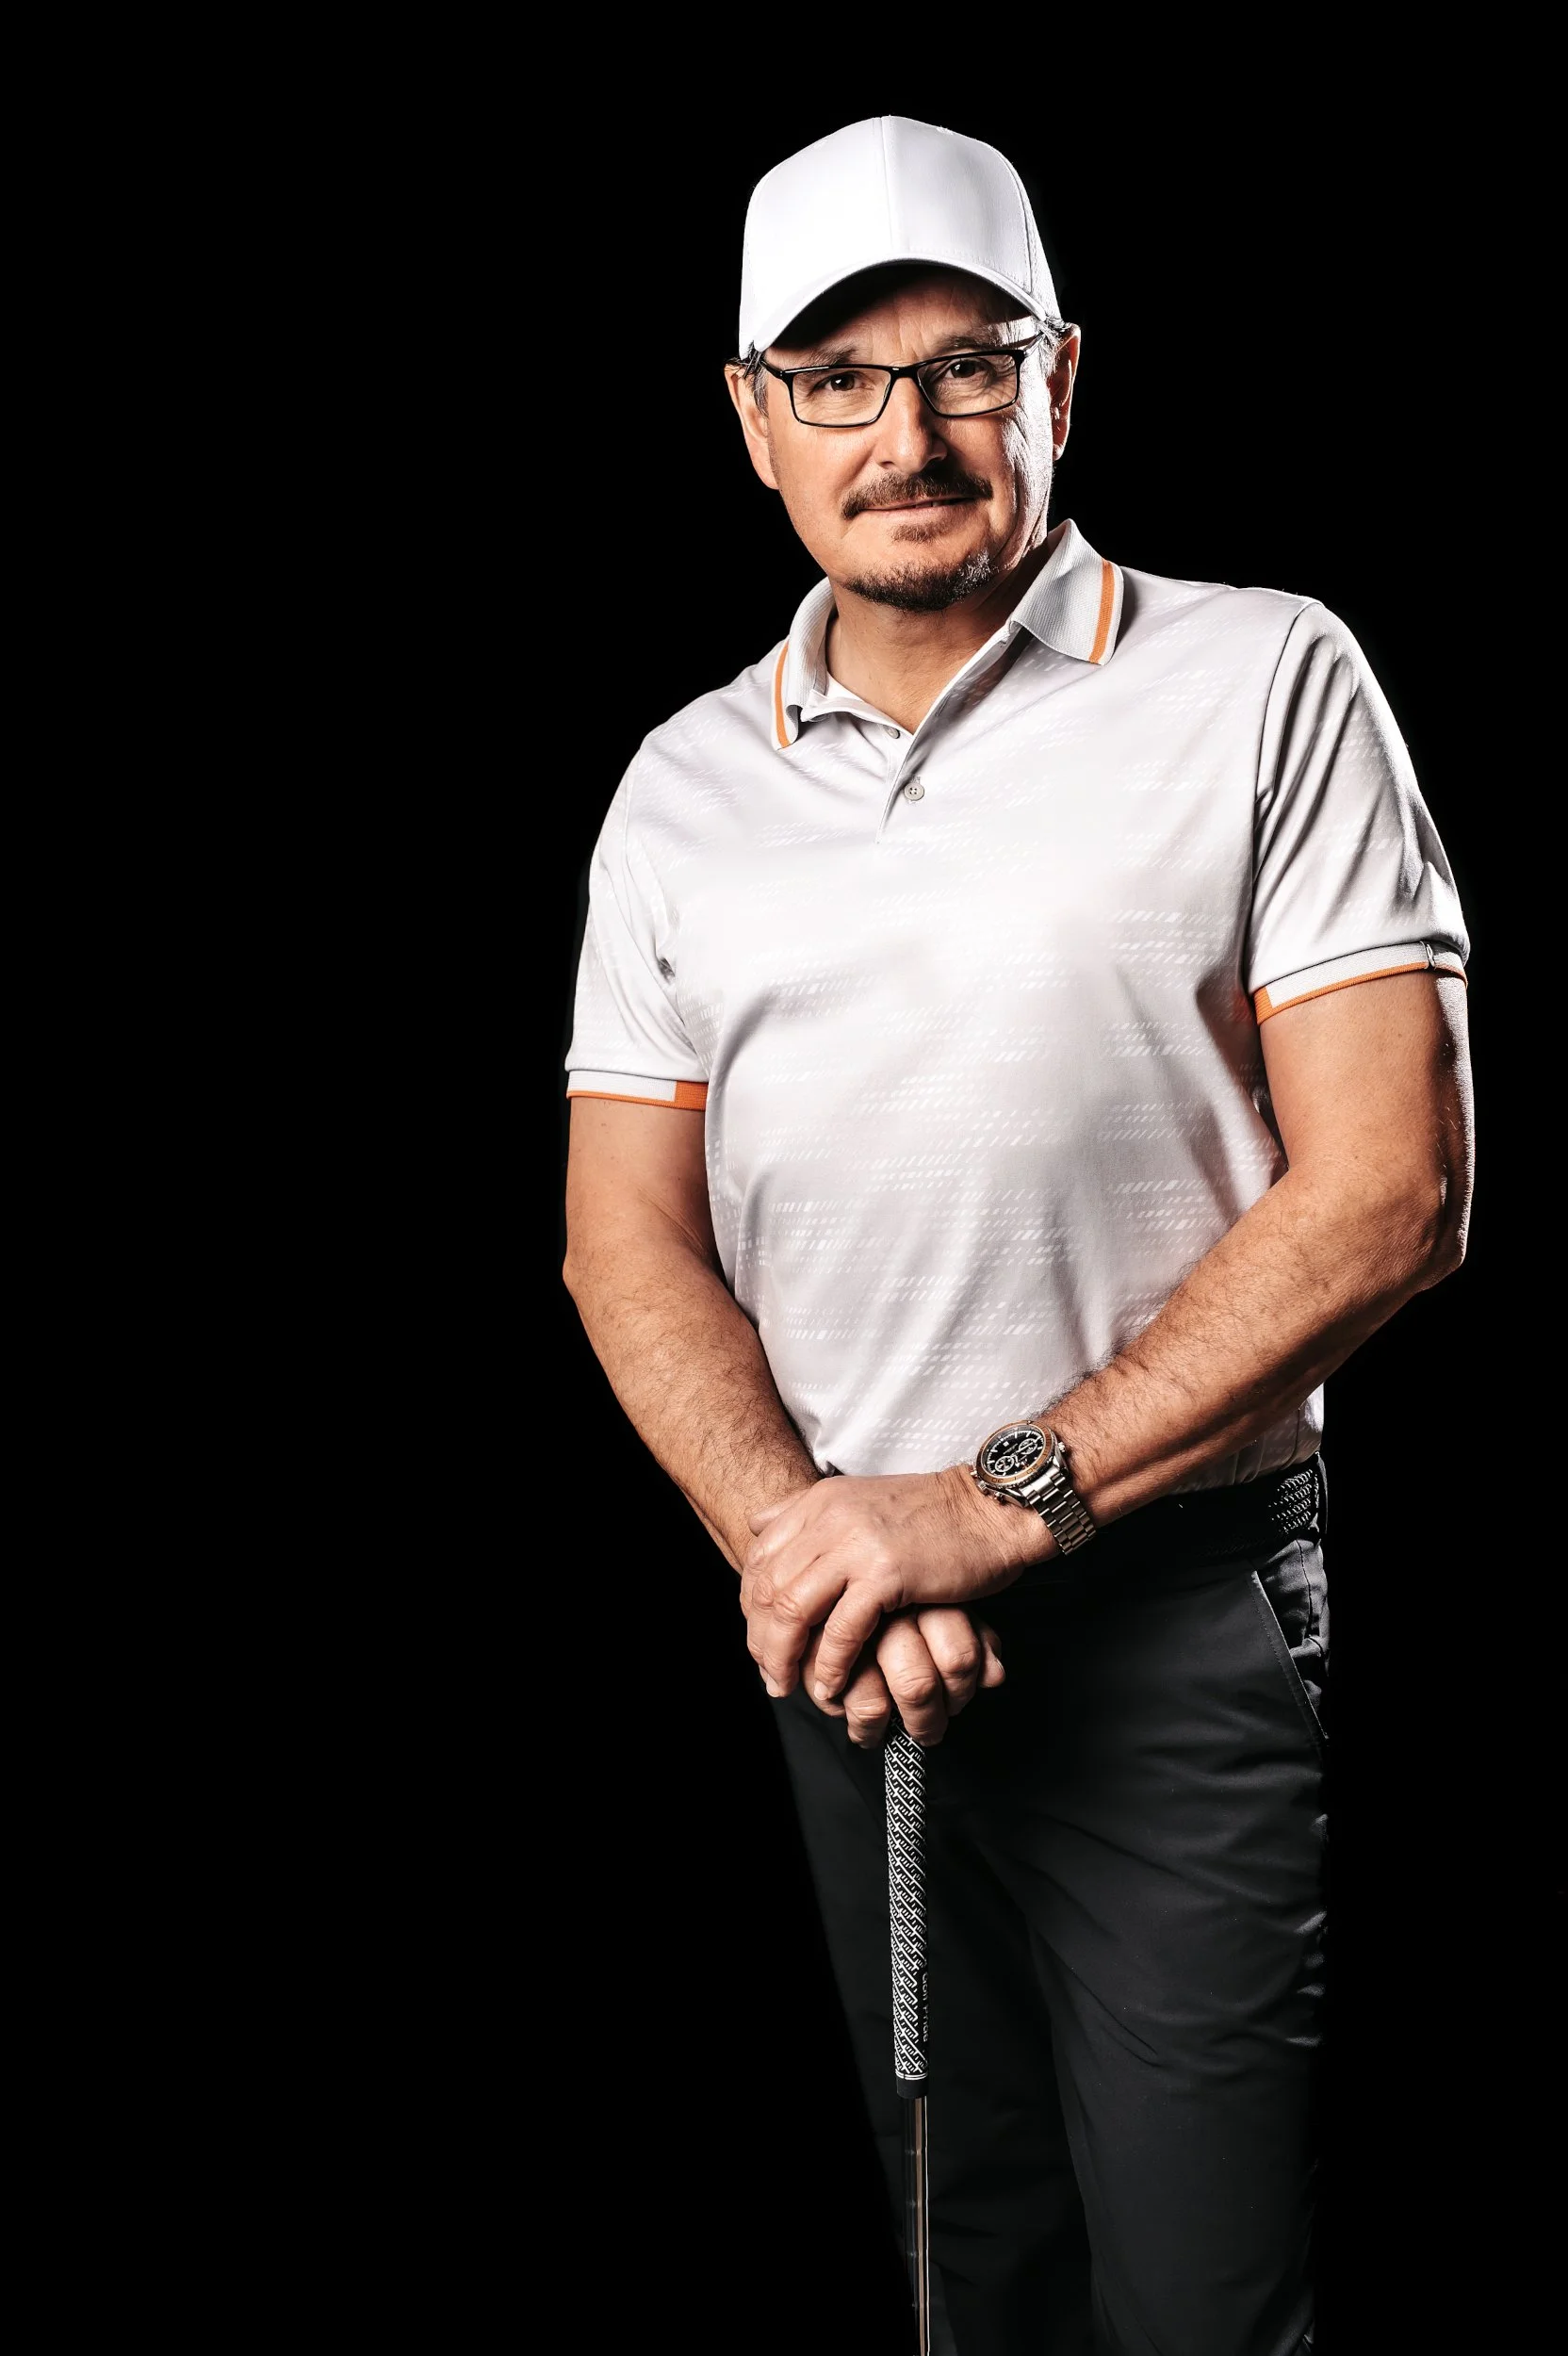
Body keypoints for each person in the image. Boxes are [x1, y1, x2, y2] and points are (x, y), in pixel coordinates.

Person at [561, 115, 1472, 2356]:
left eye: (969, 363)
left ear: (1063, 378)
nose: (911, 432)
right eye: (840, 376)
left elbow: (1392, 1191)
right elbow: (625, 1247)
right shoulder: (681, 789)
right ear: (754, 418)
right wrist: (824, 1546)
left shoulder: (1262, 676)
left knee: (1195, 2289)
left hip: (1172, 1612)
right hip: (841, 1634)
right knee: (965, 2255)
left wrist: (990, 1509)